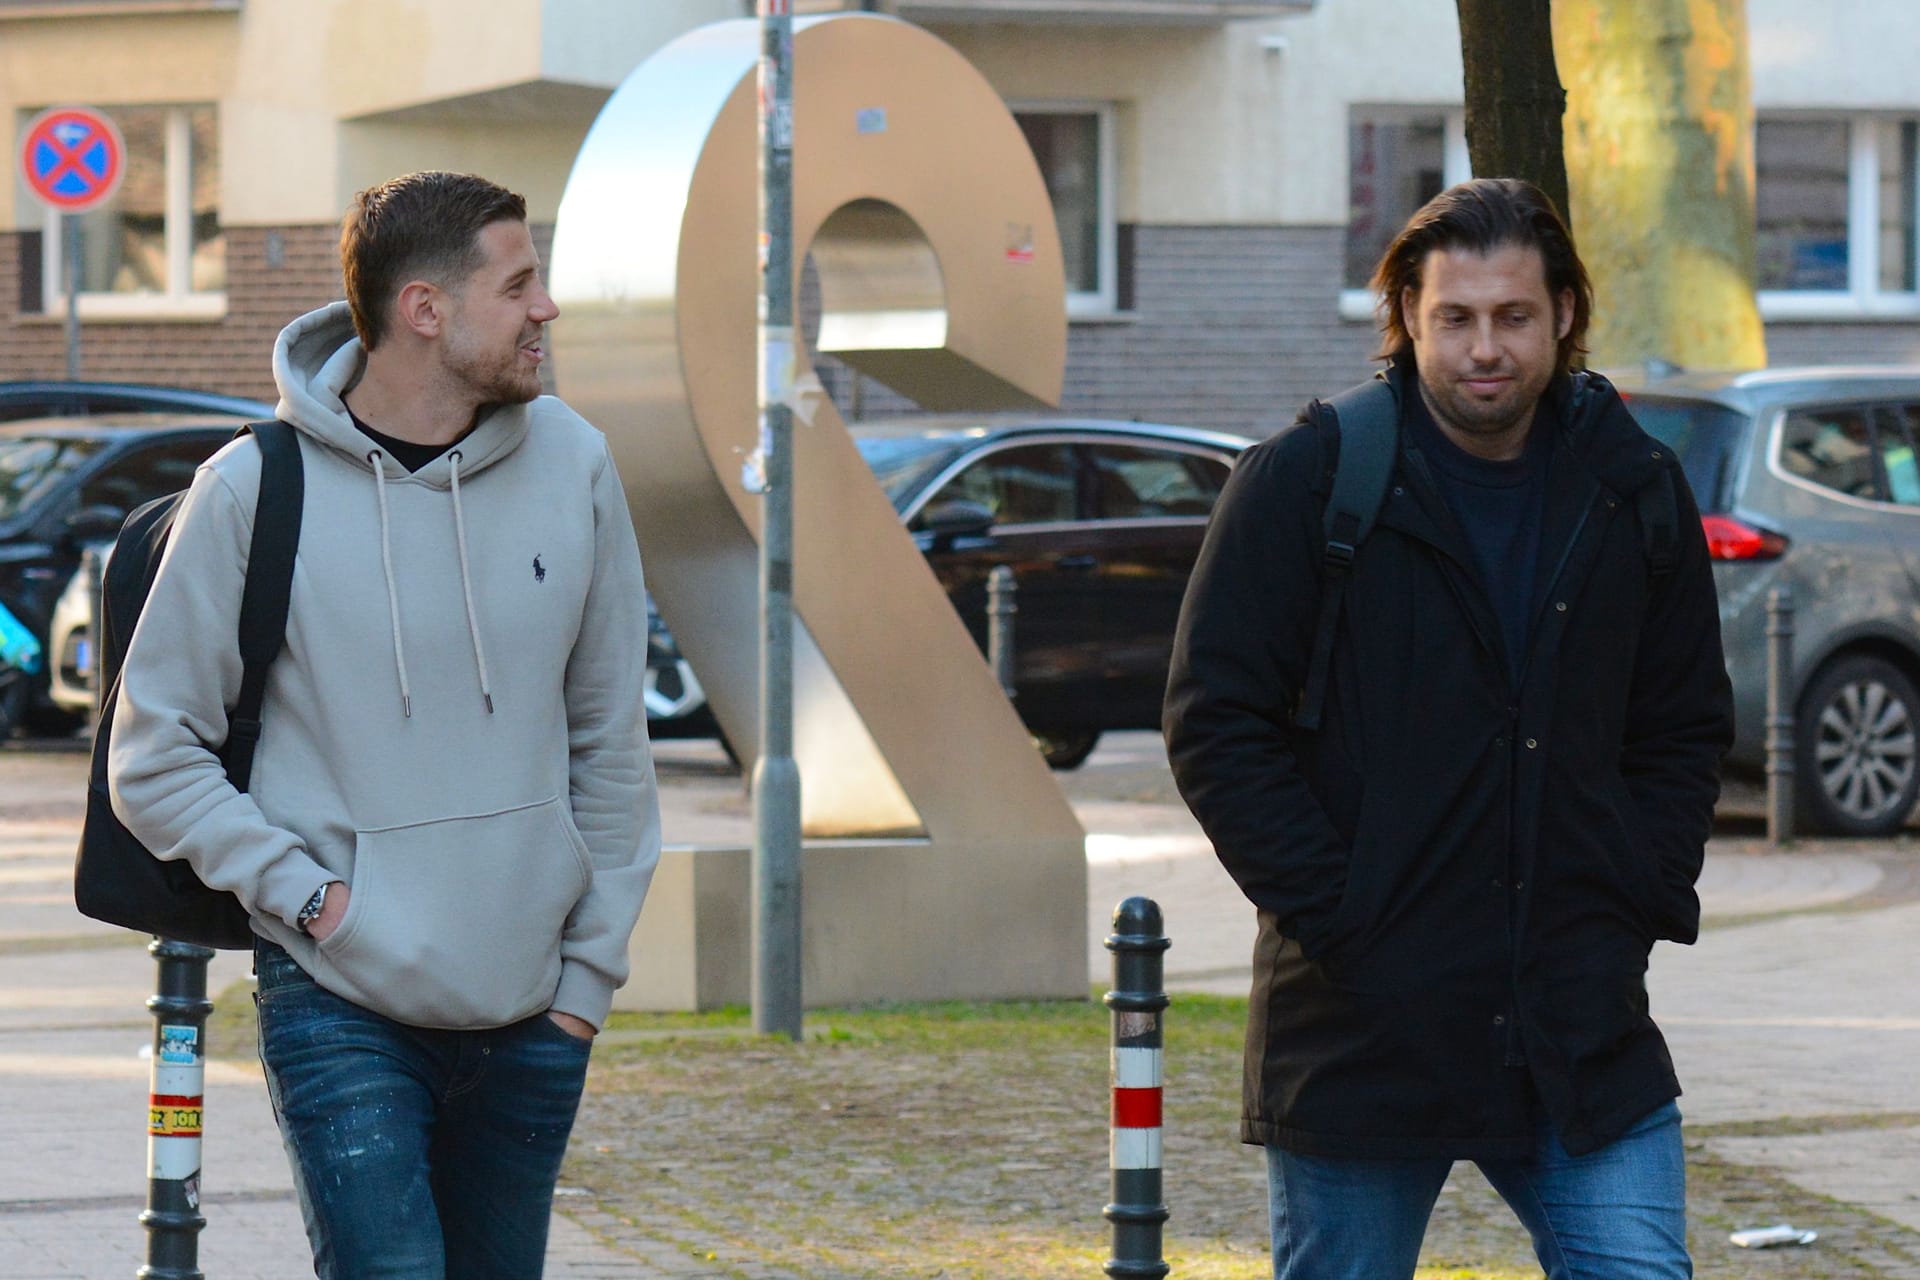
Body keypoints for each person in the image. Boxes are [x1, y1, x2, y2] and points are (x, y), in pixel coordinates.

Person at [1164, 178, 1733, 1280]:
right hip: (1365, 1019)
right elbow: (1215, 721)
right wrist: (1342, 910)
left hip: (1578, 1015)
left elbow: (1682, 725)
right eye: (1455, 318)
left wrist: (1639, 887)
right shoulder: (1311, 480)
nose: (1486, 348)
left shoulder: (1634, 488)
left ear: (1564, 314)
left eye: (1513, 316)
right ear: (1408, 317)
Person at [109, 170, 659, 1279]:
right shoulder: (252, 489)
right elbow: (152, 751)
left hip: (533, 1006)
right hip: (338, 994)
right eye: (519, 284)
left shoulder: (577, 464)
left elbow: (611, 741)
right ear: (426, 309)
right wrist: (310, 896)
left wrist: (585, 984)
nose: (545, 308)